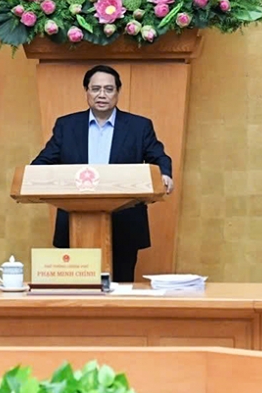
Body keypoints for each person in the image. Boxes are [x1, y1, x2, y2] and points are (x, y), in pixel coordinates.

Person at [31, 64, 173, 283]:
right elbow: (44, 160)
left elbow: (159, 157)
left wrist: (164, 173)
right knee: (77, 293)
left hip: (124, 222)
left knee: (122, 290)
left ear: (118, 92)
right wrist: (32, 177)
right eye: (95, 89)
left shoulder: (139, 126)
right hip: (74, 224)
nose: (102, 95)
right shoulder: (66, 125)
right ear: (86, 91)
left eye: (108, 89)